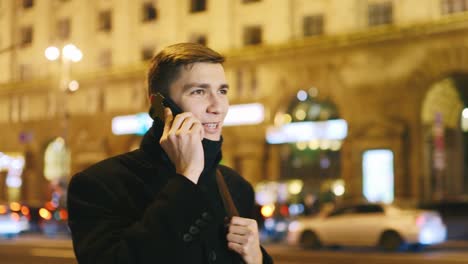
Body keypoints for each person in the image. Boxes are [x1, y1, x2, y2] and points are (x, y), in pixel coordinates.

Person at [67, 43, 273, 264]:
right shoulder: (99, 185)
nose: (217, 107)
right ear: (159, 105)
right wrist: (186, 179)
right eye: (199, 92)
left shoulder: (236, 187)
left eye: (222, 91)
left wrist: (258, 259)